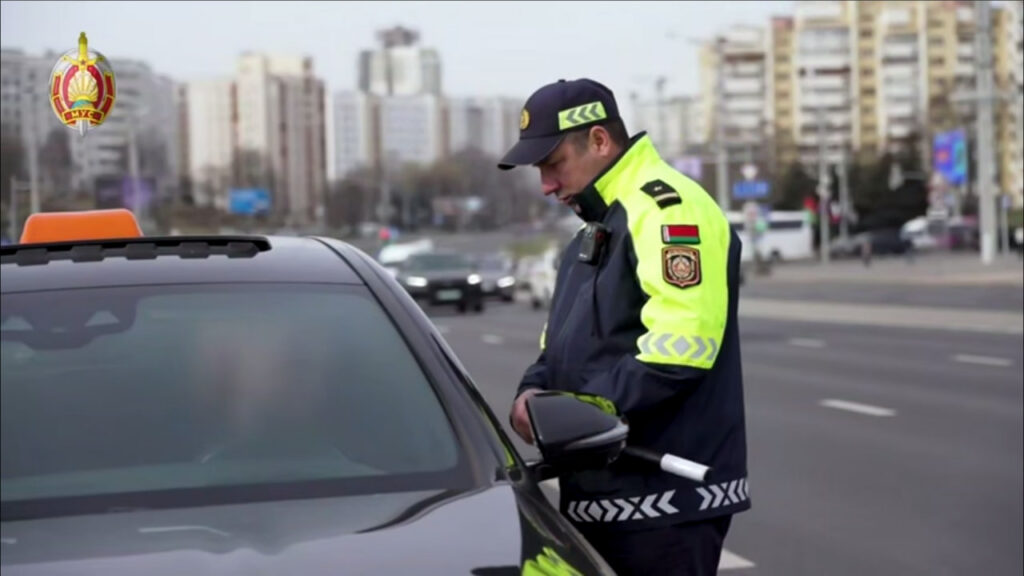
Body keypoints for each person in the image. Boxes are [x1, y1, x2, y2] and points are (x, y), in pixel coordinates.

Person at [499, 78, 750, 576]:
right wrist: (533, 392)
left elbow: (681, 347)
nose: (546, 185)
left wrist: (579, 411)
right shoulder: (593, 231)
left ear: (598, 140)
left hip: (663, 501)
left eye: (553, 164)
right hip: (602, 496)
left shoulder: (668, 209)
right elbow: (560, 347)